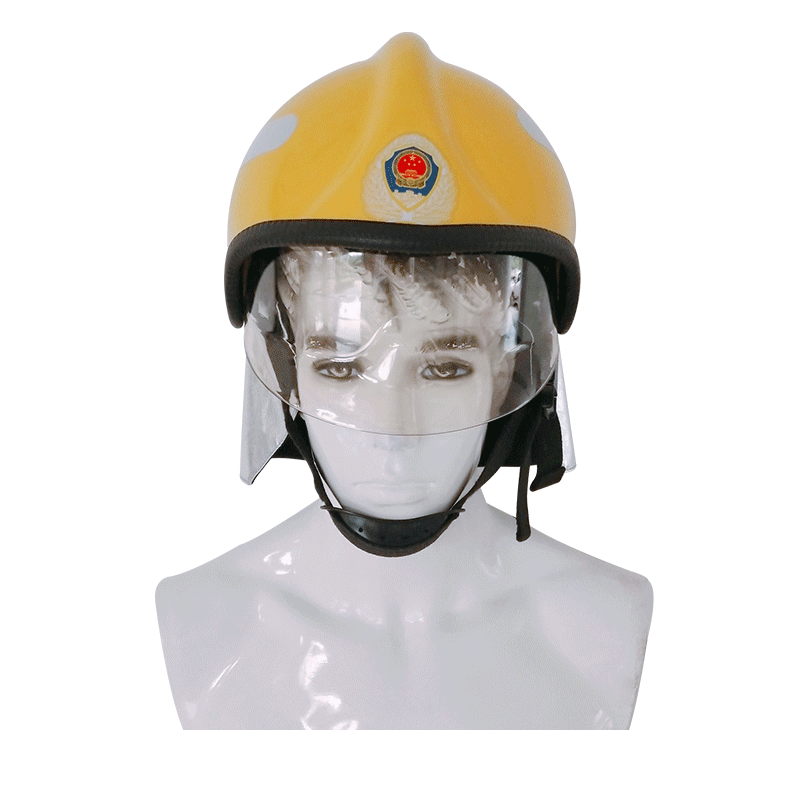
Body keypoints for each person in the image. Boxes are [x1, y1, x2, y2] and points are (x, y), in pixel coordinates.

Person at [156, 33, 653, 729]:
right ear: (287, 367)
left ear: (510, 375)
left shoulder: (602, 629)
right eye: (339, 368)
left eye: (445, 368)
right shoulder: (205, 633)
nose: (392, 428)